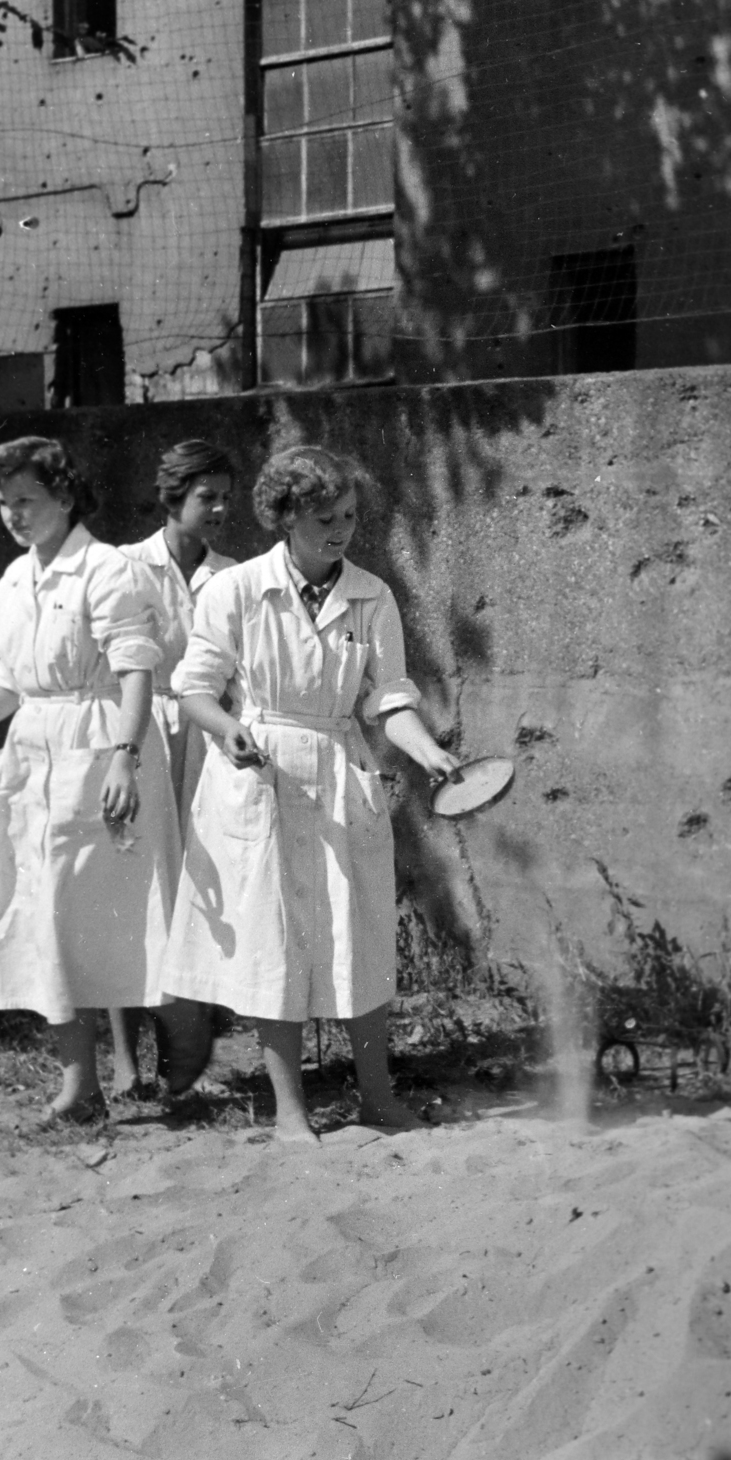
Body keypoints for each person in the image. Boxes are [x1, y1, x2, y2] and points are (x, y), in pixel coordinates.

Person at [156, 444, 460, 1140]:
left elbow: (389, 700)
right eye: (325, 517)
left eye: (350, 515)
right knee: (274, 942)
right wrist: (229, 730)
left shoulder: (372, 595)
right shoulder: (233, 592)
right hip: (258, 772)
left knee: (359, 935)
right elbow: (193, 688)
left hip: (338, 767)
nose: (342, 530)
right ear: (284, 519)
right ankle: (290, 1108)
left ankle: (377, 1097)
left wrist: (429, 751)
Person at [0, 436, 179, 1122]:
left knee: (121, 918)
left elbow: (135, 669)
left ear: (64, 495)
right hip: (34, 759)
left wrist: (123, 754)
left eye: (25, 499)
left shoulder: (107, 570)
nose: (13, 515)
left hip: (100, 747)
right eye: (2, 503)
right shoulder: (11, 584)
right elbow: (11, 685)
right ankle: (80, 1083)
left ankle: (179, 1054)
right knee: (42, 919)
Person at [107, 441, 239, 1097]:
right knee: (133, 890)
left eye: (224, 496)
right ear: (173, 499)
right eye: (204, 496)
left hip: (206, 741)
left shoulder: (233, 575)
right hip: (142, 734)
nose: (218, 508)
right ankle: (125, 1062)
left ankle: (183, 1057)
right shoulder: (126, 568)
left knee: (197, 891)